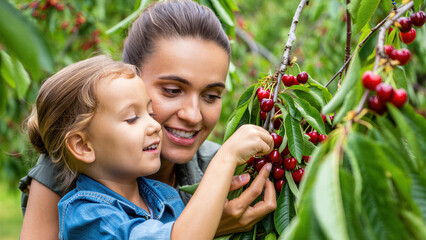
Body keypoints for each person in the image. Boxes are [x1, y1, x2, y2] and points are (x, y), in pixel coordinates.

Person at [19, 1, 277, 239]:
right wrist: (211, 223)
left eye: (211, 96)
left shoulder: (162, 188)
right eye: (172, 91)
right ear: (130, 79)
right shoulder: (75, 173)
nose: (193, 114)